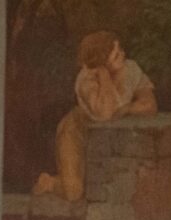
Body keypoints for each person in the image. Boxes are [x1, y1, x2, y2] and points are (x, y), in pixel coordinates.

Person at [37, 31, 155, 200]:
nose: (123, 54)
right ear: (102, 61)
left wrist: (127, 108)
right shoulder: (86, 79)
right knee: (73, 192)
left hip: (103, 135)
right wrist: (104, 75)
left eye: (121, 49)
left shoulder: (130, 69)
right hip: (76, 130)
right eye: (116, 54)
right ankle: (48, 182)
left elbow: (149, 105)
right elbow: (106, 113)